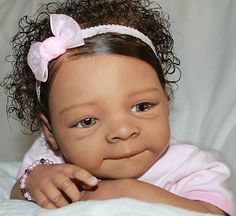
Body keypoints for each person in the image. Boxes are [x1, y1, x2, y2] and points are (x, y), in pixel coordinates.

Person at [1, 0, 235, 215]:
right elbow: (18, 197)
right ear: (51, 133)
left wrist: (127, 191)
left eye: (142, 106)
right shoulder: (49, 160)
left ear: (165, 101)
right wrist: (31, 183)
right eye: (87, 121)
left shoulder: (191, 167)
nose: (123, 131)